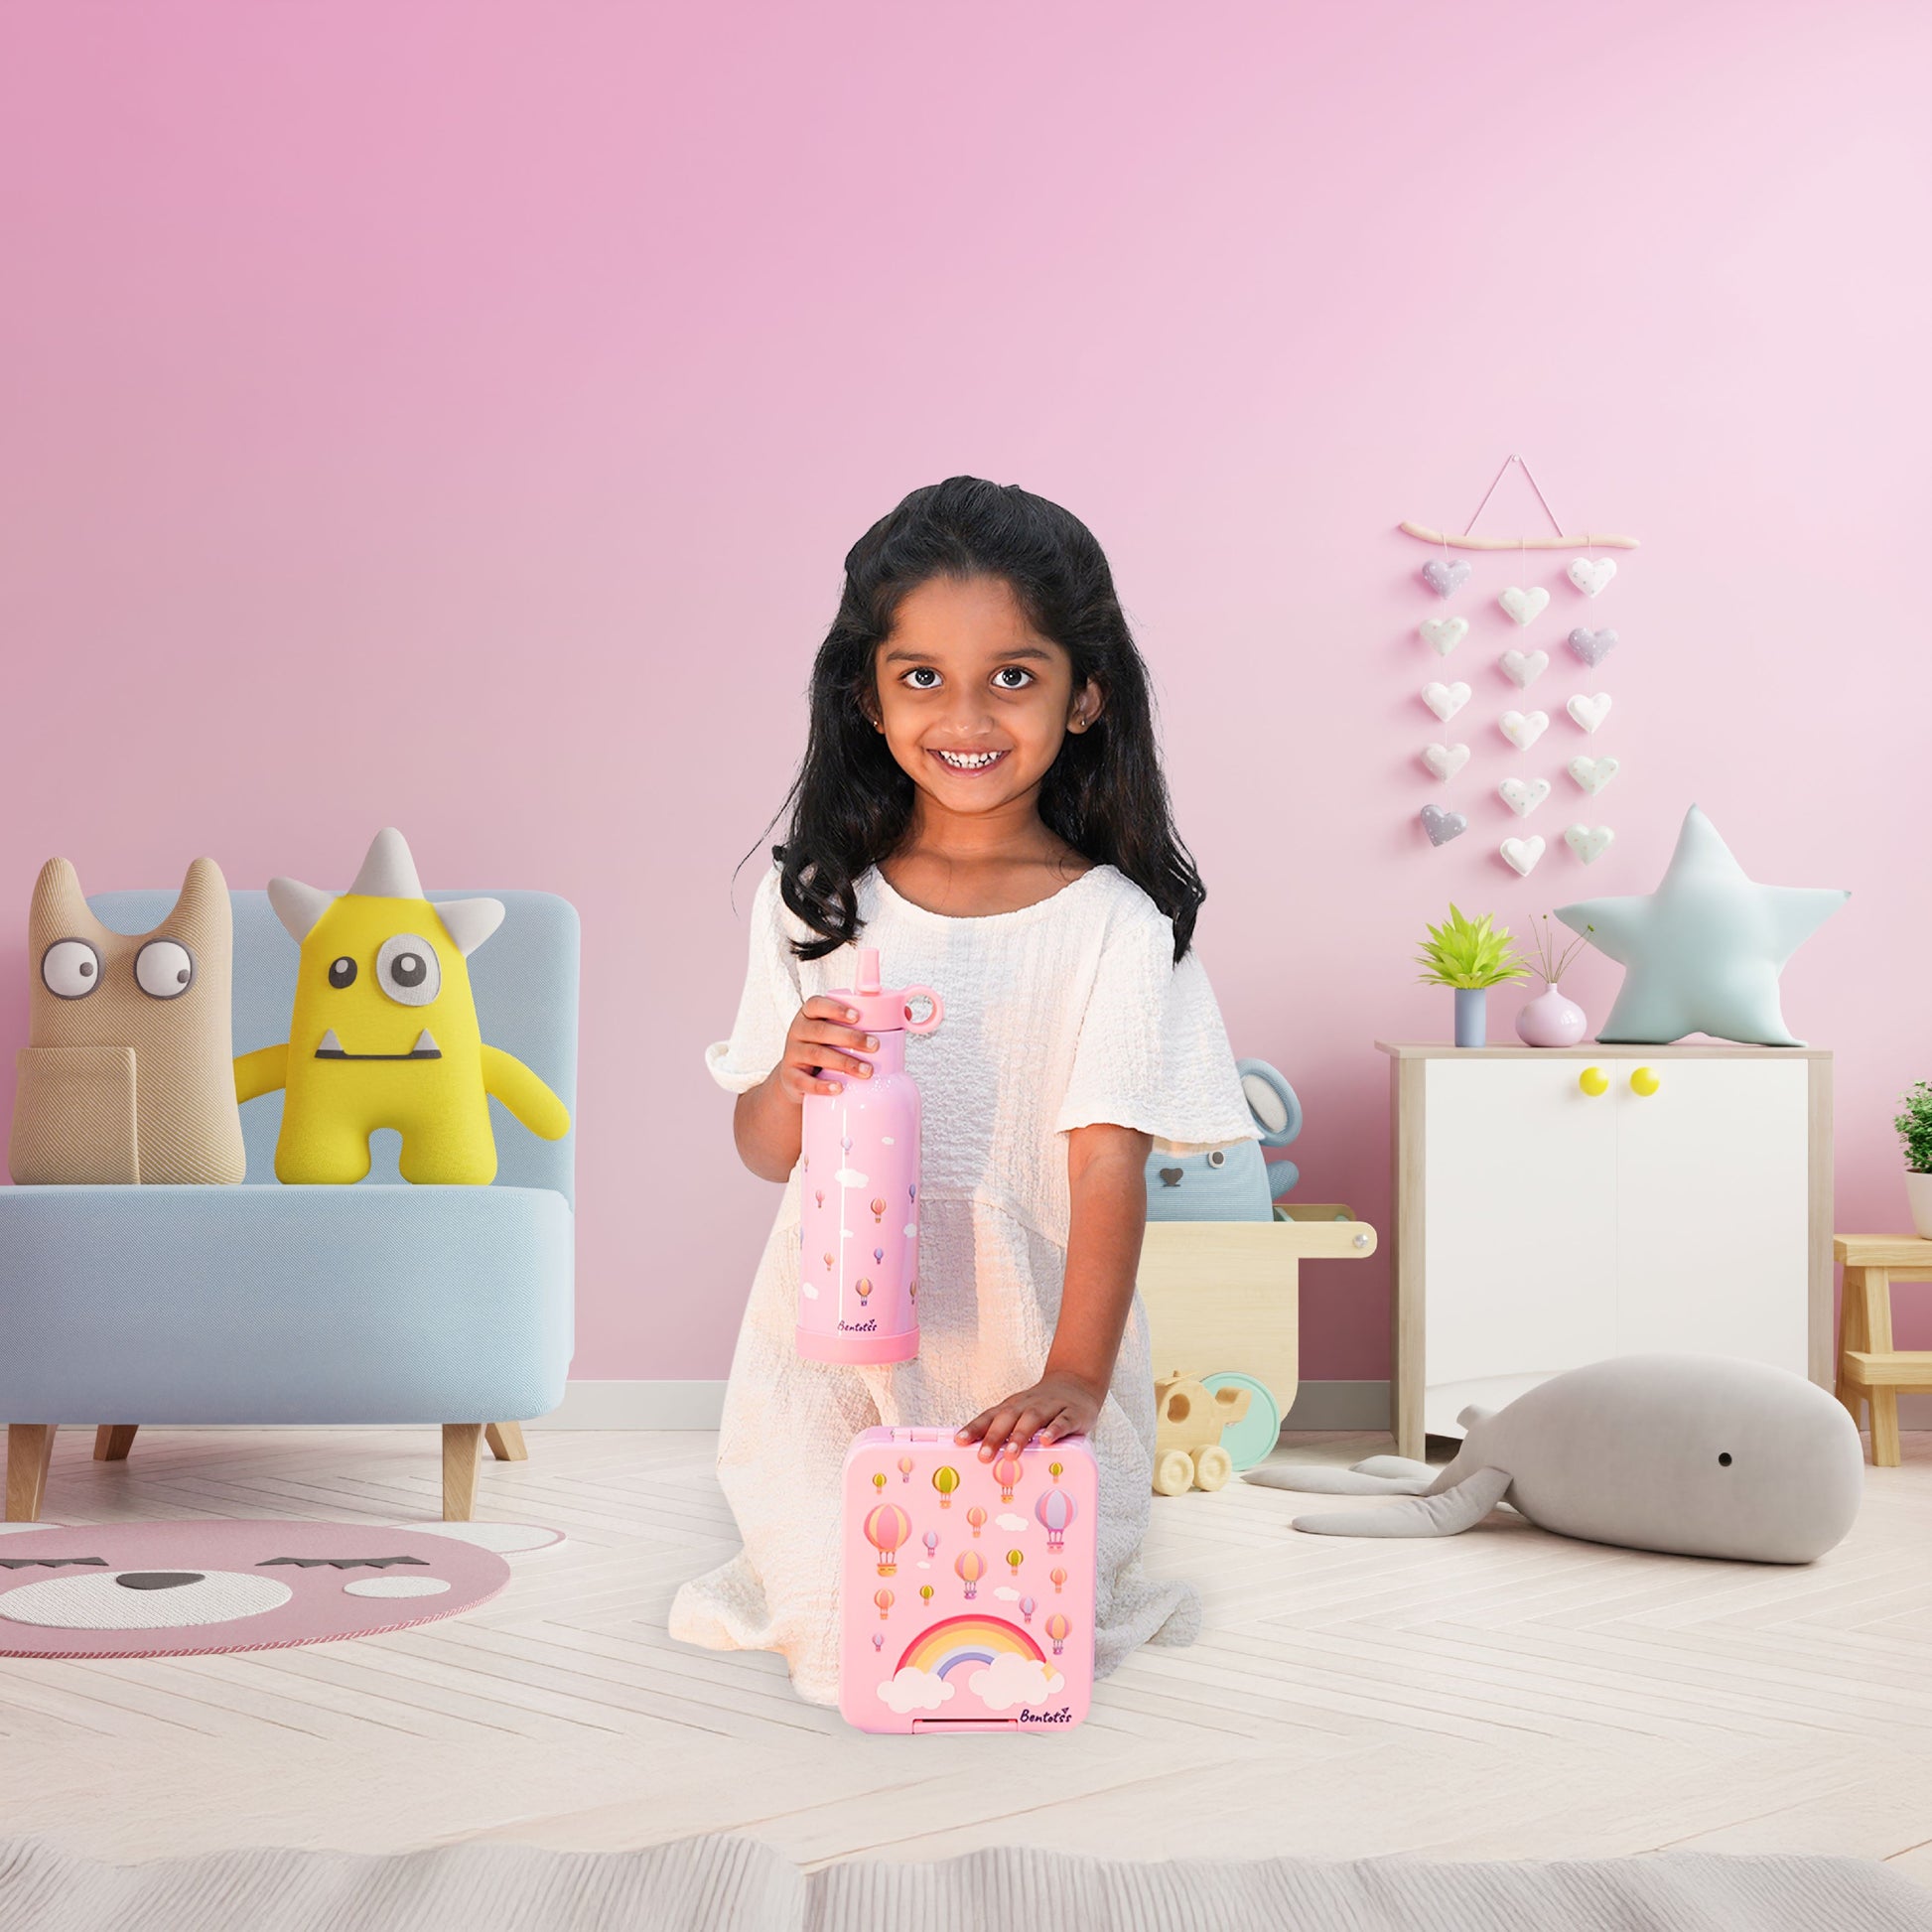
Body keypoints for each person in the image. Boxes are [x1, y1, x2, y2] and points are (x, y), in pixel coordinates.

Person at [670, 476, 1255, 1705]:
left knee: (1016, 1638)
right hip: (828, 1350)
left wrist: (1075, 1379)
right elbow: (761, 1148)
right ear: (868, 697)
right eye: (922, 676)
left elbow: (1104, 1160)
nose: (964, 712)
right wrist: (792, 1075)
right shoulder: (818, 899)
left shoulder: (1111, 924)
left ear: (1084, 693)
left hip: (1021, 1351)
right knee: (844, 1638)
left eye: (1014, 674)